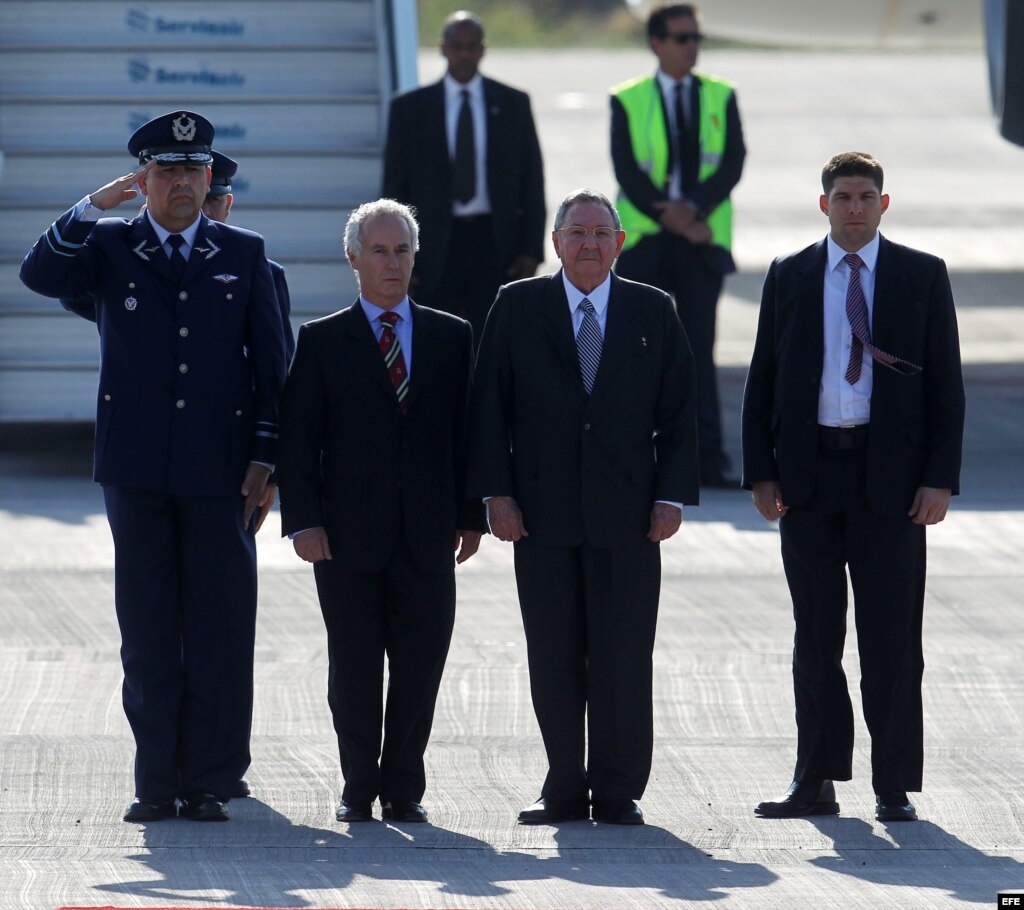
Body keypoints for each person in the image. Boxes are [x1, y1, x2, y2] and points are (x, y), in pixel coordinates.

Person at [20, 110, 287, 823]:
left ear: (210, 180)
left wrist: (265, 460)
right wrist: (95, 203)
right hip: (136, 471)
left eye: (193, 172)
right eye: (165, 172)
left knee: (214, 628)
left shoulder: (244, 251)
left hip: (218, 471)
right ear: (144, 180)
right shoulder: (111, 245)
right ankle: (156, 783)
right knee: (146, 630)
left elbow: (272, 369)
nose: (181, 184)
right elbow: (38, 274)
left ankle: (204, 782)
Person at [741, 151, 965, 822]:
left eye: (867, 196)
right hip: (810, 481)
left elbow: (945, 388)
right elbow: (763, 380)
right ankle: (816, 779)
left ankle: (892, 783)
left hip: (892, 484)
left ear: (884, 204)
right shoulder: (791, 276)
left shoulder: (920, 276)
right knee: (815, 639)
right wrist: (762, 471)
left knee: (892, 641)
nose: (856, 207)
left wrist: (939, 480)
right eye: (844, 196)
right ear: (824, 205)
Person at [469, 189, 699, 826]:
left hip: (630, 518)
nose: (590, 245)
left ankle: (620, 789)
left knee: (624, 657)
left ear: (620, 242)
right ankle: (564, 784)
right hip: (540, 518)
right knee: (554, 656)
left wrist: (670, 495)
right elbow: (487, 407)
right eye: (578, 233)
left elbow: (680, 414)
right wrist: (496, 495)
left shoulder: (653, 309)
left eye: (603, 233)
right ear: (556, 243)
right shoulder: (517, 307)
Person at [277, 199, 485, 825]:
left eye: (401, 251)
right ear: (353, 259)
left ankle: (404, 789)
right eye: (379, 251)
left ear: (414, 258)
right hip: (345, 539)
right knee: (356, 667)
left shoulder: (452, 335)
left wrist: (470, 514)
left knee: (421, 669)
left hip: (428, 535)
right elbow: (297, 438)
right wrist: (303, 520)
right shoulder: (321, 340)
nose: (391, 264)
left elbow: (469, 431)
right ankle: (358, 785)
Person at [610, 2, 746, 487]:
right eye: (681, 38)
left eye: (696, 39)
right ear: (657, 43)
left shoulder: (720, 95)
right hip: (647, 241)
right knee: (639, 352)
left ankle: (708, 460)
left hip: (701, 244)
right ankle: (638, 460)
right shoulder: (628, 98)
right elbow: (626, 170)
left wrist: (695, 213)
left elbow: (731, 164)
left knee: (697, 351)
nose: (691, 48)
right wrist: (675, 218)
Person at [381, 10, 546, 343]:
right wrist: (395, 254)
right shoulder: (411, 108)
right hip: (433, 244)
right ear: (443, 48)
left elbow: (532, 181)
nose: (465, 54)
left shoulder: (512, 103)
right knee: (435, 340)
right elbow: (393, 189)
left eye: (472, 46)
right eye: (457, 46)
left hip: (495, 242)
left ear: (483, 50)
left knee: (495, 339)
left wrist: (532, 250)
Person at [203, 150, 296, 363]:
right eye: (200, 201)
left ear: (228, 205)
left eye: (214, 200)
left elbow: (278, 360)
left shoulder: (266, 272)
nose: (206, 212)